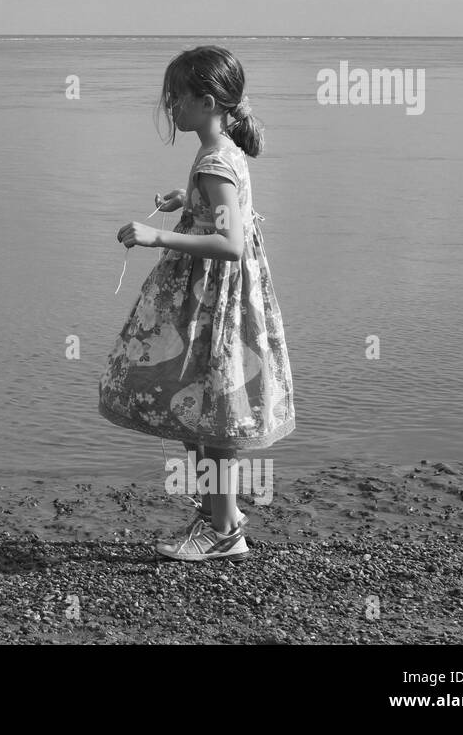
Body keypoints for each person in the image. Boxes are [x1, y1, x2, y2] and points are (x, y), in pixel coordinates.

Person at [98, 44, 295, 562]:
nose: (170, 109)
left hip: (214, 300)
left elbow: (229, 245)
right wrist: (188, 201)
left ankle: (225, 529)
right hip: (215, 297)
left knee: (213, 413)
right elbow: (228, 216)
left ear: (207, 101)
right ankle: (215, 516)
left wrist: (155, 237)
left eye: (176, 100)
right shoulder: (222, 152)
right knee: (205, 408)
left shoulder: (215, 161)